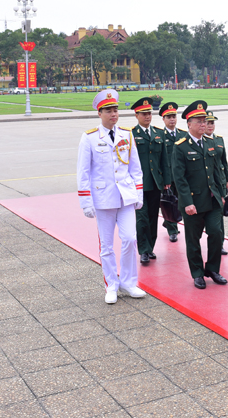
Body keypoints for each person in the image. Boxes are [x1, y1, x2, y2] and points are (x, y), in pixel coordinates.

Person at [76, 89, 146, 304]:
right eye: (108, 110)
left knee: (130, 239)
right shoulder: (89, 138)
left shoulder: (127, 134)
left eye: (115, 110)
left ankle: (128, 281)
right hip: (103, 198)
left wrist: (138, 194)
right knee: (106, 245)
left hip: (125, 196)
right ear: (100, 113)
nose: (113, 114)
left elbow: (136, 168)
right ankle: (111, 285)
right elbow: (83, 172)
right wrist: (86, 202)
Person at [171, 100, 226, 289]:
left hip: (212, 200)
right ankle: (197, 273)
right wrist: (187, 202)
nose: (204, 124)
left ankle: (213, 269)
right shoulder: (180, 146)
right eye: (199, 121)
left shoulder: (211, 143)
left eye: (205, 120)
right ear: (189, 124)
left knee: (216, 233)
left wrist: (222, 193)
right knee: (193, 239)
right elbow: (179, 178)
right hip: (193, 202)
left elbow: (217, 171)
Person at [131, 97, 171, 265]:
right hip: (139, 184)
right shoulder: (132, 134)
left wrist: (167, 180)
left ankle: (150, 247)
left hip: (156, 182)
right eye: (144, 114)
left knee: (153, 217)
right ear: (136, 115)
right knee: (142, 218)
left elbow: (164, 159)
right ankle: (143, 250)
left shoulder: (159, 133)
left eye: (149, 113)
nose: (147, 117)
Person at [158, 102, 186, 242]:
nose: (172, 119)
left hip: (182, 176)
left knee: (181, 202)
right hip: (168, 177)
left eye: (174, 116)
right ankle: (172, 229)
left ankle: (170, 221)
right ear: (163, 119)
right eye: (168, 117)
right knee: (169, 202)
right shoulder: (160, 136)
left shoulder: (183, 134)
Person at [204, 111, 228, 256]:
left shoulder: (219, 139)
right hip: (208, 183)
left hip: (220, 182)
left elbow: (224, 162)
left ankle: (220, 244)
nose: (210, 125)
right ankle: (212, 240)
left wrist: (226, 180)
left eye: (212, 123)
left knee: (219, 214)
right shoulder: (201, 141)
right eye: (207, 122)